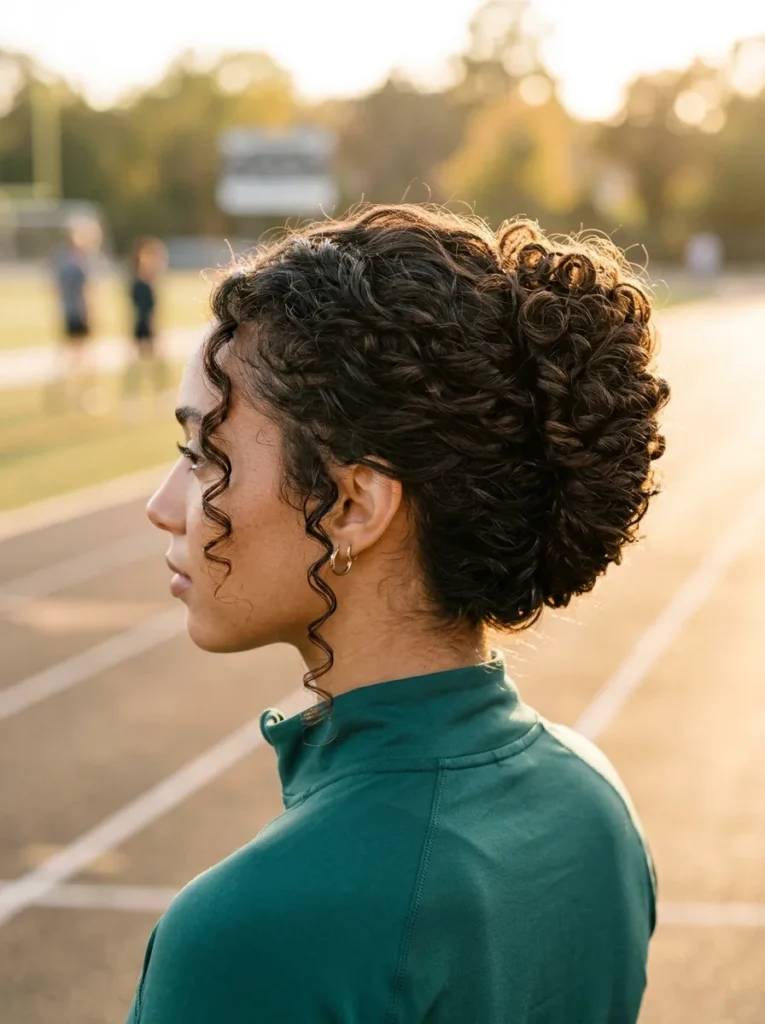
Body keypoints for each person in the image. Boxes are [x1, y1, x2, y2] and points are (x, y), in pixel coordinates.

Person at [134, 205, 669, 1023]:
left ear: (351, 506)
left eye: (206, 456)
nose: (163, 507)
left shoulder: (245, 931)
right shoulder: (593, 803)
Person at [47, 222, 99, 411]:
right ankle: (87, 396)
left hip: (67, 312)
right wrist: (90, 314)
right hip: (79, 313)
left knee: (69, 356)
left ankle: (61, 391)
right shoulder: (79, 263)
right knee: (86, 357)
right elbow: (86, 292)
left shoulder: (60, 262)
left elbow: (53, 288)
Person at [123, 236, 169, 419]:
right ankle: (133, 401)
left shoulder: (149, 282)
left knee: (157, 366)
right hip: (141, 328)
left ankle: (159, 397)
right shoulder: (139, 283)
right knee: (138, 367)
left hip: (148, 329)